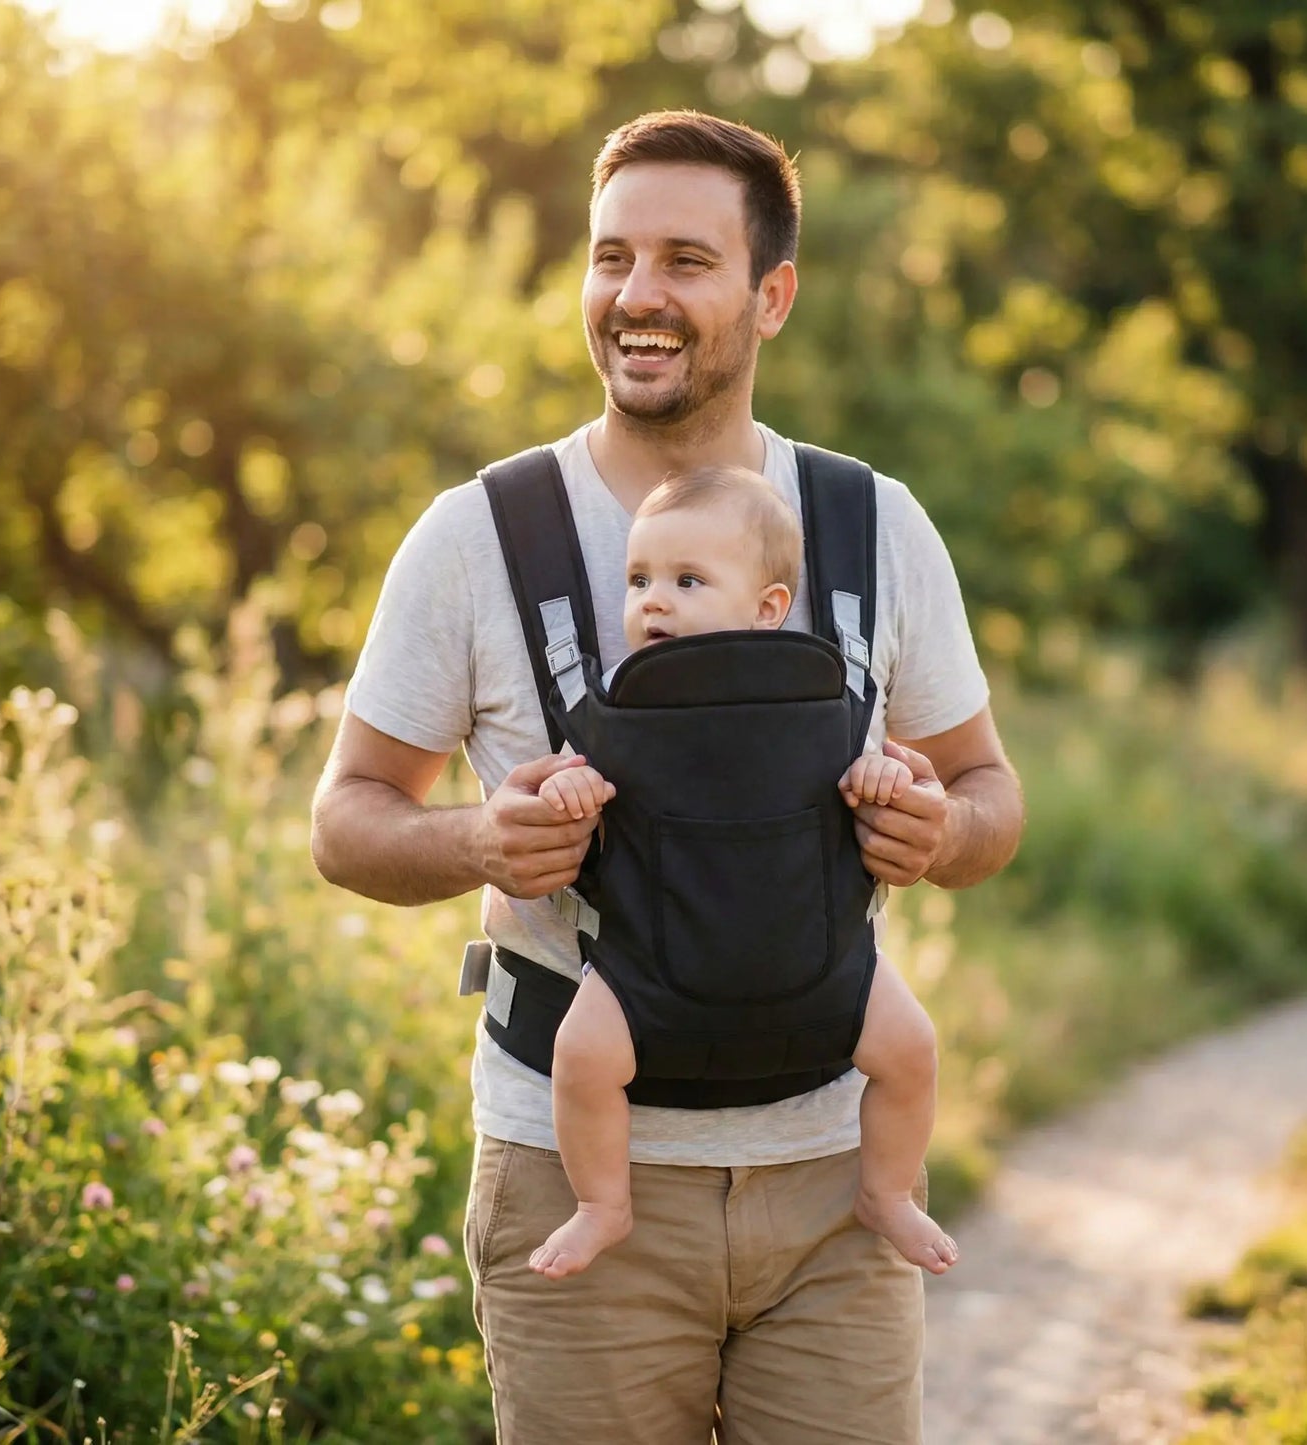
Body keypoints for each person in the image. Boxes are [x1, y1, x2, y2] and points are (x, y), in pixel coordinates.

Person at [312, 109, 1024, 1445]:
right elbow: (345, 823)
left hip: (834, 1181)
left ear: (772, 295)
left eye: (686, 261)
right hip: (570, 1177)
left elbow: (989, 794)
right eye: (610, 257)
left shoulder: (877, 526)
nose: (636, 296)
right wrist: (479, 844)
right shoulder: (477, 537)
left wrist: (939, 828)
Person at [530, 464, 959, 1283]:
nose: (652, 600)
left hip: (825, 965)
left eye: (687, 580)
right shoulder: (620, 700)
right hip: (645, 970)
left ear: (769, 609)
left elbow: (879, 776)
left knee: (909, 1048)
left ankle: (887, 1189)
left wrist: (882, 783)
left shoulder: (821, 695)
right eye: (638, 579)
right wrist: (567, 786)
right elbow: (562, 773)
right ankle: (601, 1204)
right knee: (582, 1057)